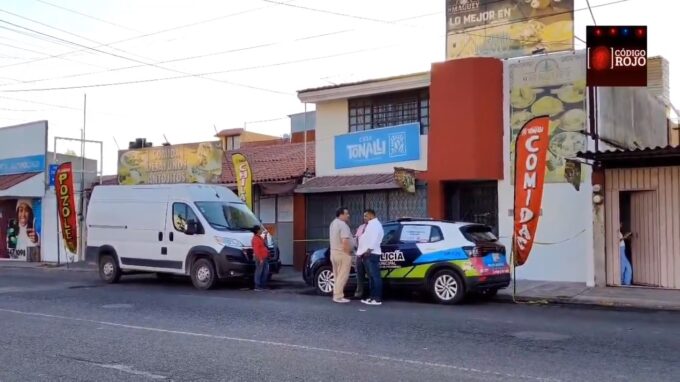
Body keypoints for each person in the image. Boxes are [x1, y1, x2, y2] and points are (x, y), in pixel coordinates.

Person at [357, 209, 384, 306]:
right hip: (367, 253)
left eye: (365, 216)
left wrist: (368, 250)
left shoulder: (375, 225)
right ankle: (371, 297)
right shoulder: (371, 225)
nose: (364, 218)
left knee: (375, 277)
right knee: (371, 277)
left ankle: (377, 298)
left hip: (372, 254)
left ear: (371, 215)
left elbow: (375, 239)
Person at [329, 207, 352, 303]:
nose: (348, 215)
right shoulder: (343, 225)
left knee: (337, 275)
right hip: (342, 253)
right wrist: (347, 253)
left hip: (333, 252)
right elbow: (345, 240)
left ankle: (336, 294)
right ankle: (338, 296)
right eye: (346, 213)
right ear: (341, 215)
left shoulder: (333, 223)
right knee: (343, 276)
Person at [353, 217, 368, 299]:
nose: (365, 218)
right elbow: (356, 239)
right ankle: (359, 293)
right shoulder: (361, 227)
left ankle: (371, 294)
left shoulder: (373, 227)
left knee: (371, 275)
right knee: (359, 275)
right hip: (359, 254)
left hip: (368, 254)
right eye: (364, 216)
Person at [251, 225, 269, 291]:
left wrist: (266, 236)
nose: (261, 231)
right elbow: (256, 250)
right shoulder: (255, 239)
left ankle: (263, 285)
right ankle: (257, 285)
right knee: (259, 271)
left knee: (265, 271)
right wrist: (260, 258)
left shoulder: (259, 237)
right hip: (259, 257)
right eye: (260, 229)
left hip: (264, 257)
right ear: (257, 231)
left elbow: (264, 244)